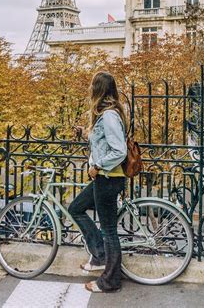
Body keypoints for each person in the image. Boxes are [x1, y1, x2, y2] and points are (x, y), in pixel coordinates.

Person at [69, 71, 127, 293]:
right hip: (103, 178)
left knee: (109, 230)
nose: (90, 88)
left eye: (92, 85)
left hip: (108, 177)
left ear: (99, 90)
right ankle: (100, 255)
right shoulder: (106, 115)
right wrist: (86, 133)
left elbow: (119, 150)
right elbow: (104, 140)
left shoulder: (110, 116)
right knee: (76, 208)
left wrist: (97, 166)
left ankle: (110, 281)